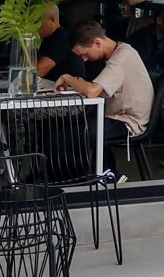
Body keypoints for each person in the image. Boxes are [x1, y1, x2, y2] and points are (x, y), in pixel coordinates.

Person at [58, 20, 153, 168]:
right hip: (121, 117)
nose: (84, 59)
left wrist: (67, 78)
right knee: (74, 127)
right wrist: (80, 84)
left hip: (128, 123)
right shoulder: (122, 50)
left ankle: (94, 174)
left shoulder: (120, 59)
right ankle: (106, 173)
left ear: (97, 42)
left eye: (85, 54)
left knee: (64, 138)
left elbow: (92, 91)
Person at [34, 3, 84, 83]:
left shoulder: (61, 38)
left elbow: (37, 71)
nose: (34, 26)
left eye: (36, 22)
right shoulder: (47, 39)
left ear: (52, 20)